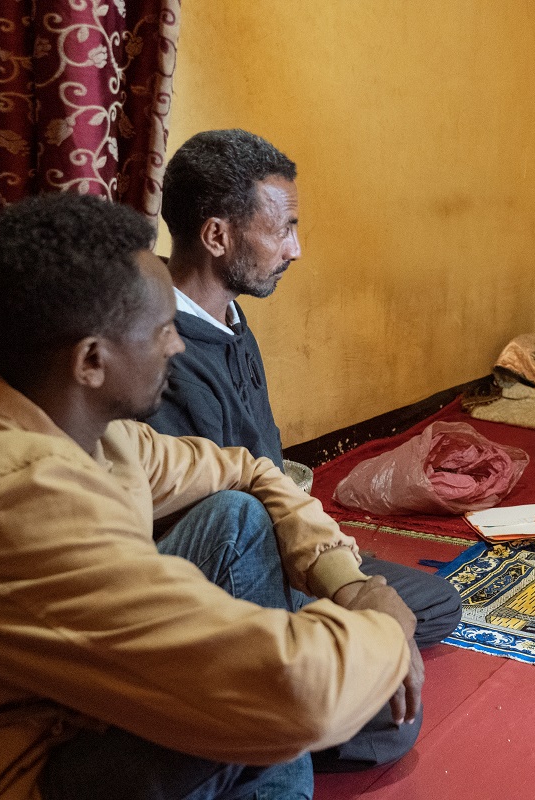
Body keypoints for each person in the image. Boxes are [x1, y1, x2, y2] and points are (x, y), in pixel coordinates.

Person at [0, 192, 420, 800]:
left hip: (55, 708)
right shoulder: (12, 500)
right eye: (162, 330)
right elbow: (295, 694)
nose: (177, 347)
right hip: (4, 770)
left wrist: (346, 581)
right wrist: (384, 620)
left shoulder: (81, 428)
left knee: (239, 517)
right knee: (302, 698)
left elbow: (246, 468)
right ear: (91, 361)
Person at [143, 129, 462, 771]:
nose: (297, 249)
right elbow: (212, 525)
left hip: (283, 536)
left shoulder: (229, 320)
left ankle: (317, 671)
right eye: (283, 229)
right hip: (222, 578)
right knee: (391, 723)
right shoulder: (153, 351)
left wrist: (333, 568)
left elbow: (261, 462)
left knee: (433, 603)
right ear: (216, 237)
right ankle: (267, 720)